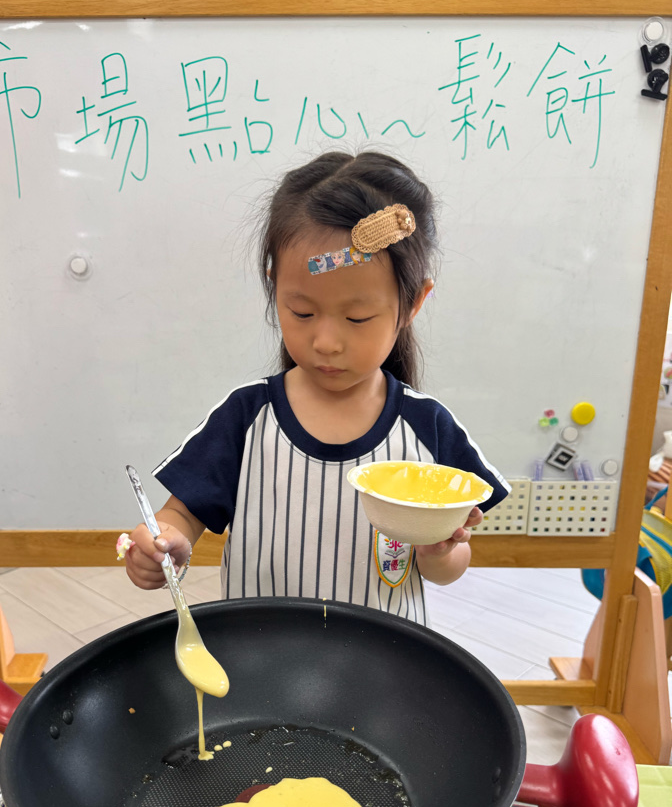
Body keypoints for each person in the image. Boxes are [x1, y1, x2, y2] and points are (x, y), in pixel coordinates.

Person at [125, 151, 509, 623]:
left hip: (385, 657)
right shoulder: (246, 418)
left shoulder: (428, 429)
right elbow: (181, 516)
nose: (326, 342)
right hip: (261, 651)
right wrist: (165, 543)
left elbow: (449, 568)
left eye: (357, 317)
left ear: (413, 303)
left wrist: (439, 551)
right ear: (275, 288)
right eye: (302, 312)